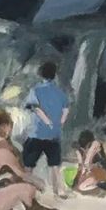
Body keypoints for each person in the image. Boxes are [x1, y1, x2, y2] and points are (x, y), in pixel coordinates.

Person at [23, 62, 69, 199]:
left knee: (28, 164)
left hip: (37, 133)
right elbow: (66, 110)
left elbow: (36, 108)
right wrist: (59, 123)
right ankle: (59, 190)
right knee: (55, 165)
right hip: (54, 135)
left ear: (41, 74)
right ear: (54, 75)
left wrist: (47, 122)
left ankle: (25, 189)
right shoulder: (60, 92)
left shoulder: (35, 90)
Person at [73, 130, 106, 194]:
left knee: (81, 186)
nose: (85, 148)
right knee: (80, 185)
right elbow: (81, 163)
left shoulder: (95, 144)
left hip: (100, 168)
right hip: (93, 169)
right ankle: (99, 183)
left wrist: (84, 172)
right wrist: (79, 176)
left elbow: (87, 161)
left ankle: (101, 183)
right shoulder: (83, 148)